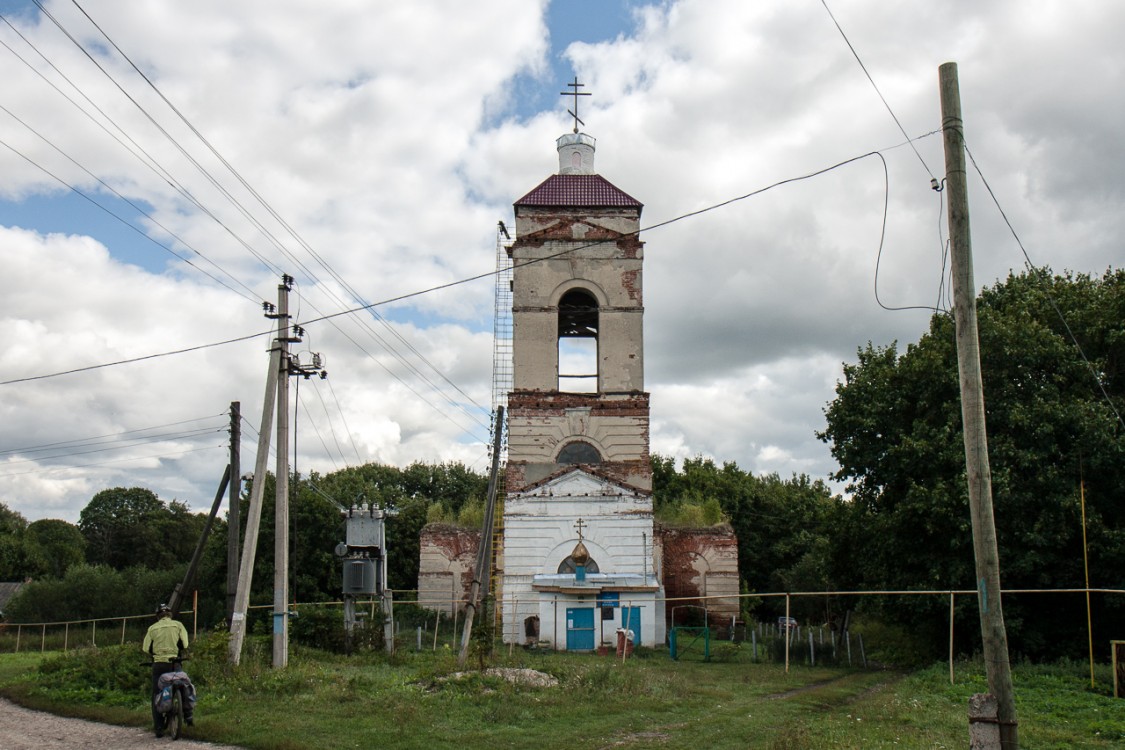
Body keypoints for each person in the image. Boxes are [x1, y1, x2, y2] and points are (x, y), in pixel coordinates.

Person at [142, 603, 190, 737]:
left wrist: (155, 655)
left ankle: (158, 728)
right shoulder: (178, 625)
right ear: (170, 614)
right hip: (175, 662)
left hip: (159, 664)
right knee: (181, 686)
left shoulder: (152, 628)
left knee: (156, 693)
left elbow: (146, 648)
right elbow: (185, 644)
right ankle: (186, 715)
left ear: (158, 616)